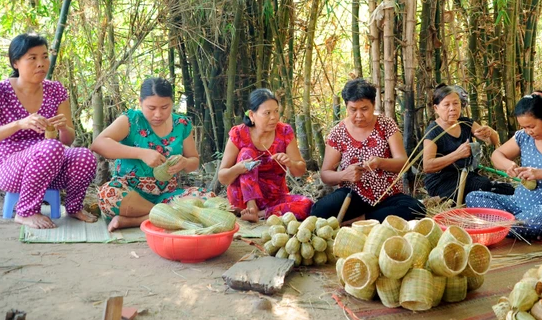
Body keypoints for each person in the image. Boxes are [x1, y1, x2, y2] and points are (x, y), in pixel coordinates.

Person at [0, 33, 98, 229]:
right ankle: (25, 212)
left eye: (44, 56)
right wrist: (18, 124)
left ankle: (74, 207)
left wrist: (63, 127)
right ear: (16, 63)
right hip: (9, 170)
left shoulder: (56, 90)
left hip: (50, 167)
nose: (41, 63)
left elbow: (67, 141)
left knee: (84, 156)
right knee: (50, 148)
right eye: (32, 58)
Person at [465, 94, 542, 241]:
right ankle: (514, 226)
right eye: (524, 127)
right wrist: (510, 165)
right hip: (518, 203)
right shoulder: (523, 137)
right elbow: (497, 155)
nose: (528, 131)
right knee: (474, 197)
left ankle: (502, 225)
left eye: (531, 126)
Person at [92, 78, 212, 231]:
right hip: (131, 195)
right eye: (151, 107)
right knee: (108, 195)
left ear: (172, 102)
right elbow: (98, 144)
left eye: (164, 107)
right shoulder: (132, 120)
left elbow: (193, 161)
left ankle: (135, 220)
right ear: (140, 102)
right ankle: (167, 215)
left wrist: (185, 163)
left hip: (168, 196)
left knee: (207, 199)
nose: (158, 114)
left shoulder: (182, 124)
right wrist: (141, 153)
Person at [311, 79, 426, 222]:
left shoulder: (386, 125)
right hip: (353, 196)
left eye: (364, 109)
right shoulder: (338, 133)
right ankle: (374, 220)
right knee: (319, 210)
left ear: (373, 105)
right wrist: (344, 175)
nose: (359, 115)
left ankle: (358, 221)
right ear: (346, 107)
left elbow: (404, 163)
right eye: (353, 109)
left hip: (388, 195)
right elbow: (325, 174)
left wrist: (380, 162)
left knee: (416, 209)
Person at [218, 89, 312, 222]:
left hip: (274, 198)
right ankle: (251, 207)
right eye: (267, 113)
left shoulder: (284, 132)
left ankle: (262, 214)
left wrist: (290, 163)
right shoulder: (239, 134)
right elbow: (223, 177)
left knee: (307, 205)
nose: (273, 117)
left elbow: (300, 171)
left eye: (276, 111)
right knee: (246, 153)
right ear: (252, 115)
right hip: (243, 200)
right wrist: (239, 168)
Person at [422, 85, 513, 200]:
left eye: (456, 103)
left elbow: (492, 141)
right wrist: (457, 155)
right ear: (436, 108)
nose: (452, 108)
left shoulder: (465, 123)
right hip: (442, 182)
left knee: (506, 189)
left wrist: (490, 132)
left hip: (467, 176)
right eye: (446, 105)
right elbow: (428, 166)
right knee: (482, 186)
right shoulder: (433, 132)